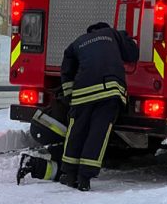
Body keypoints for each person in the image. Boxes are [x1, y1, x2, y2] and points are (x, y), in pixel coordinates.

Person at [58, 22, 139, 191]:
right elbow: (132, 54)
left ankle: (69, 174)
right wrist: (129, 40)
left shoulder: (78, 42)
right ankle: (84, 178)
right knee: (98, 133)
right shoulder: (112, 34)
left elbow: (66, 68)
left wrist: (68, 93)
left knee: (76, 131)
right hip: (108, 91)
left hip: (81, 92)